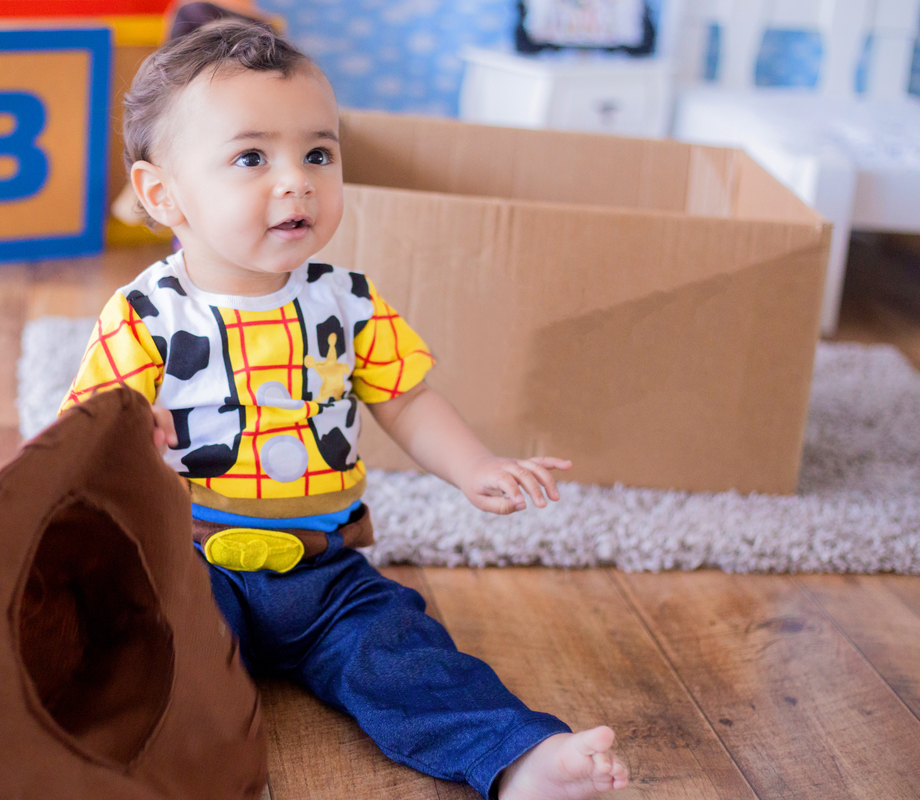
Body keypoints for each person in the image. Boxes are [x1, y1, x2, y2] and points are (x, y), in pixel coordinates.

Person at [62, 19, 628, 800]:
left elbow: (408, 398)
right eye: (252, 157)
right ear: (165, 195)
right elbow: (83, 438)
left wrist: (476, 467)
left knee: (406, 653)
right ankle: (127, 760)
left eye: (318, 154)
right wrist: (130, 435)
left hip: (325, 570)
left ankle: (518, 757)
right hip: (190, 564)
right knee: (149, 652)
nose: (295, 180)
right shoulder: (146, 316)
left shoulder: (347, 304)